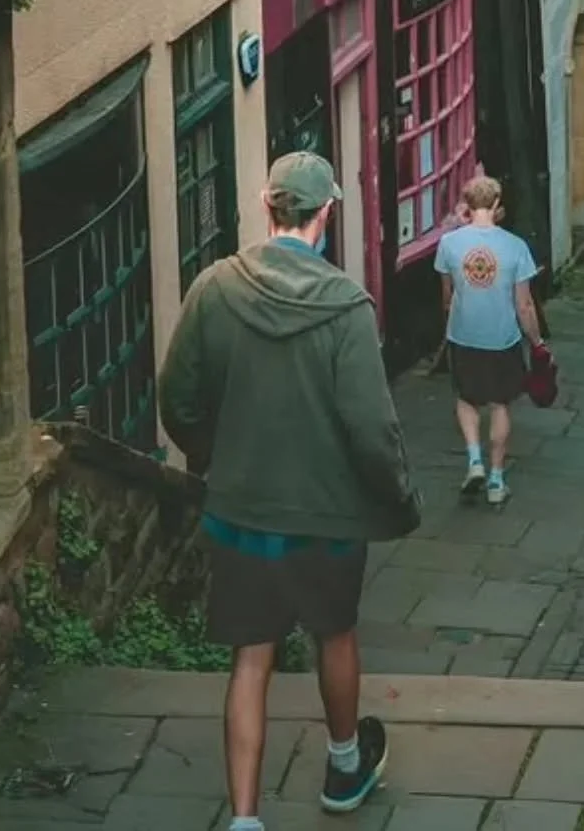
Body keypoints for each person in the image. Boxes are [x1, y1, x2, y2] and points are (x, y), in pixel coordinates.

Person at [159, 152, 421, 830]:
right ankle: (342, 766)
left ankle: (245, 817)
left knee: (252, 655)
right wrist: (396, 496)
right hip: (329, 514)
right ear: (326, 212)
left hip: (243, 509)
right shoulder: (346, 307)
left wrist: (217, 455)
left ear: (266, 206)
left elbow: (177, 398)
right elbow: (372, 427)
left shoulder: (215, 288)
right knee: (335, 633)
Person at [435, 174, 544, 505]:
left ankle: (474, 461)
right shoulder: (514, 247)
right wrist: (537, 341)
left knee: (467, 399)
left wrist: (452, 325)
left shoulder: (449, 245)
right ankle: (496, 481)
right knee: (500, 404)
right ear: (497, 205)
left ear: (467, 206)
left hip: (464, 335)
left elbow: (446, 297)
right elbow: (524, 305)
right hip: (503, 338)